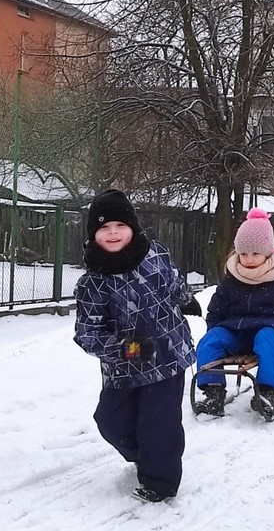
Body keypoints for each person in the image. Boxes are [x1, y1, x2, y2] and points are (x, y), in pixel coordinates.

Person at [74, 189, 201, 503]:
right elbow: (88, 333)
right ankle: (144, 454)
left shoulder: (154, 255)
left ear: (132, 227)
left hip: (168, 356)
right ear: (93, 234)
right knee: (110, 421)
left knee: (159, 424)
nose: (113, 232)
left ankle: (161, 481)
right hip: (123, 367)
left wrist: (186, 299)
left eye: (120, 225)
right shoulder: (92, 282)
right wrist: (124, 350)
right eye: (104, 227)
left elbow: (173, 281)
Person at [195, 208, 274, 420]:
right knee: (210, 340)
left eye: (255, 253)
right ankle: (213, 393)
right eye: (243, 254)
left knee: (267, 338)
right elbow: (216, 310)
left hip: (271, 330)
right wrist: (216, 334)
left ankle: (268, 393)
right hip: (236, 331)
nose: (248, 259)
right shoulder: (232, 279)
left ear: (268, 253)